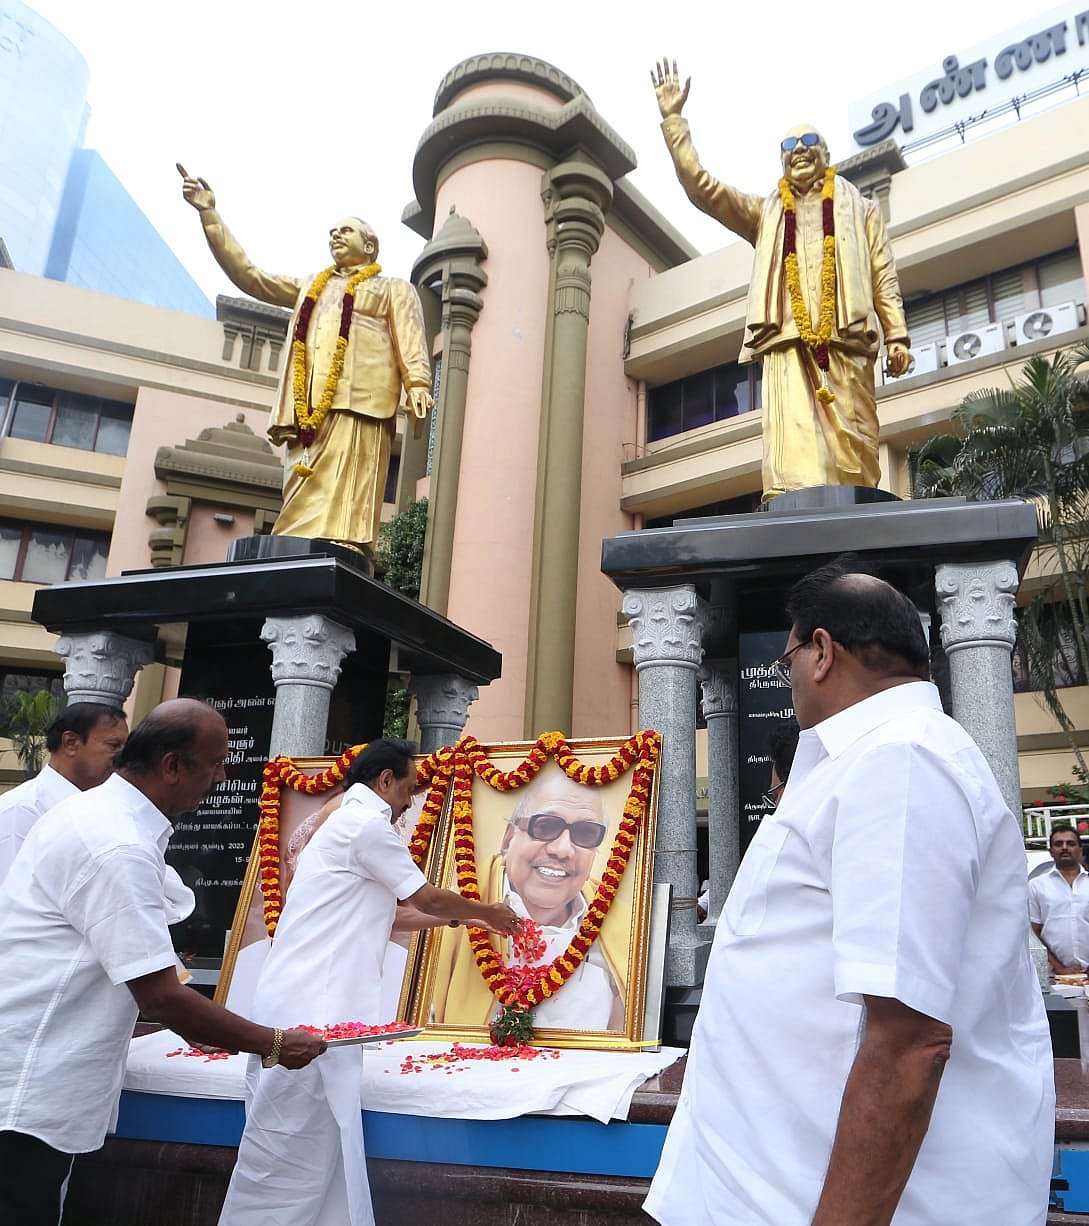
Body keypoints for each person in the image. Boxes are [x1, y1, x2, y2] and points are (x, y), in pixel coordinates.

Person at [645, 557, 1054, 1226]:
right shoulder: (866, 761)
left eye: (785, 663)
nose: (787, 681)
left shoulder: (899, 762)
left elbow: (909, 1038)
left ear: (821, 652)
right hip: (776, 1187)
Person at [0, 698, 325, 1226]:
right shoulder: (116, 844)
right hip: (28, 1083)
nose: (222, 777)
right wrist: (276, 1044)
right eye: (216, 763)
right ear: (172, 765)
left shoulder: (100, 817)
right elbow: (160, 997)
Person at [218, 737, 519, 1226]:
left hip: (306, 1008)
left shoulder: (346, 825)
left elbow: (389, 917)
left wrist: (470, 922)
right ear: (384, 781)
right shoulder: (364, 828)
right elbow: (427, 897)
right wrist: (487, 910)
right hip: (308, 1014)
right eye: (408, 789)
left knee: (317, 1146)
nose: (409, 802)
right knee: (284, 1155)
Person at [651, 62, 911, 500]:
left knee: (856, 463)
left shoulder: (862, 209)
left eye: (809, 142)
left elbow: (883, 276)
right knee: (793, 468)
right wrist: (674, 121)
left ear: (826, 154)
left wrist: (898, 335)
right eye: (789, 145)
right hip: (787, 342)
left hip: (847, 341)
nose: (800, 150)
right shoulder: (765, 211)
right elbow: (702, 188)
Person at [180, 169, 433, 556]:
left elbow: (411, 338)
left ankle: (345, 545)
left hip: (362, 404)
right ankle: (297, 543)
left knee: (351, 487)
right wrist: (209, 215)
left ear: (370, 246)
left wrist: (418, 383)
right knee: (301, 491)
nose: (335, 236)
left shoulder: (391, 289)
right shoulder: (309, 287)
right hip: (310, 407)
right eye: (332, 231)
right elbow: (250, 276)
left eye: (345, 231)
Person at [429, 767, 628, 1030]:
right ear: (509, 838)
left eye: (585, 833)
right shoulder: (449, 913)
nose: (562, 850)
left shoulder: (624, 926)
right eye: (545, 826)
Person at [0, 701, 128, 882]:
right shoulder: (23, 810)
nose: (123, 757)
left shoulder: (112, 809)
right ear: (70, 743)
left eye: (125, 748)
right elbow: (10, 895)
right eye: (113, 745)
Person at [1029, 823, 1089, 975]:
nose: (1064, 847)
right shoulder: (1036, 886)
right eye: (1058, 844)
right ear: (1051, 851)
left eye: (1070, 843)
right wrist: (1060, 968)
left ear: (1080, 850)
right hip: (1056, 977)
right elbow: (1032, 934)